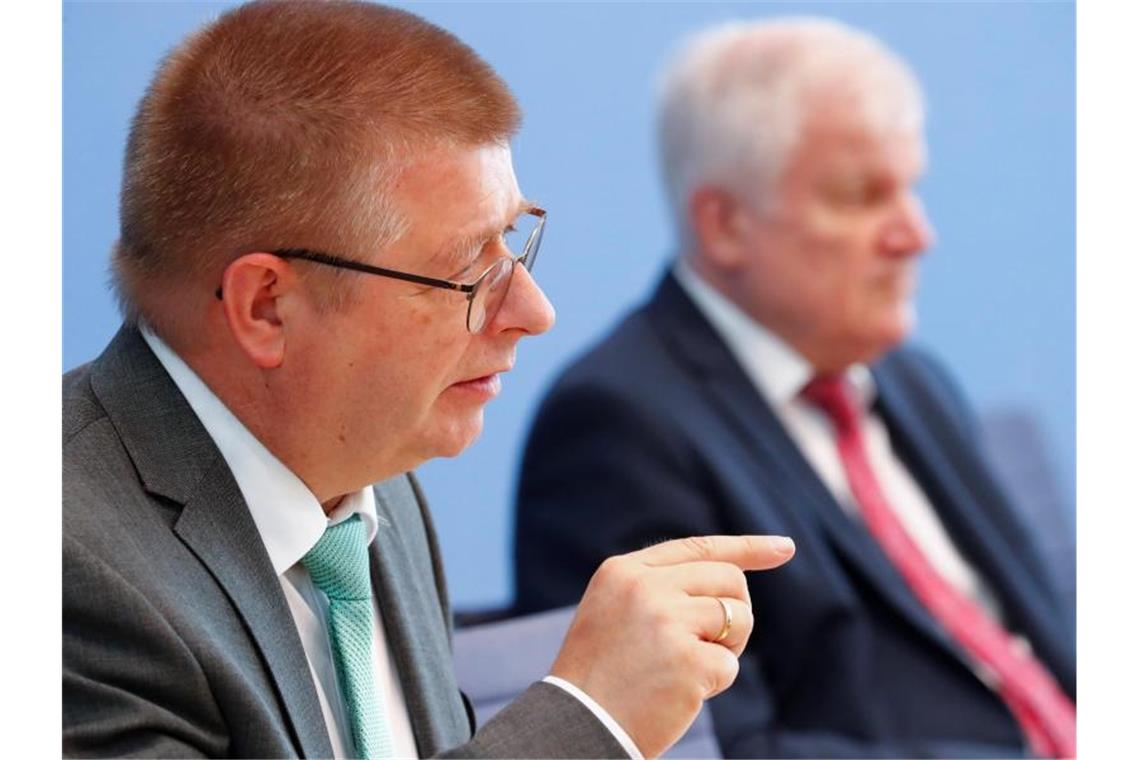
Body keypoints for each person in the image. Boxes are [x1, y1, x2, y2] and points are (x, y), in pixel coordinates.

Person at [61, 2, 798, 757]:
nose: (533, 311)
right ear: (266, 307)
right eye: (465, 269)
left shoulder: (375, 487)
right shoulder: (62, 568)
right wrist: (586, 720)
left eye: (512, 238)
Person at [514, 18, 1076, 759]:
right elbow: (720, 746)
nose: (915, 234)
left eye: (909, 189)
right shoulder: (617, 424)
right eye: (863, 196)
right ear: (724, 225)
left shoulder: (914, 379)